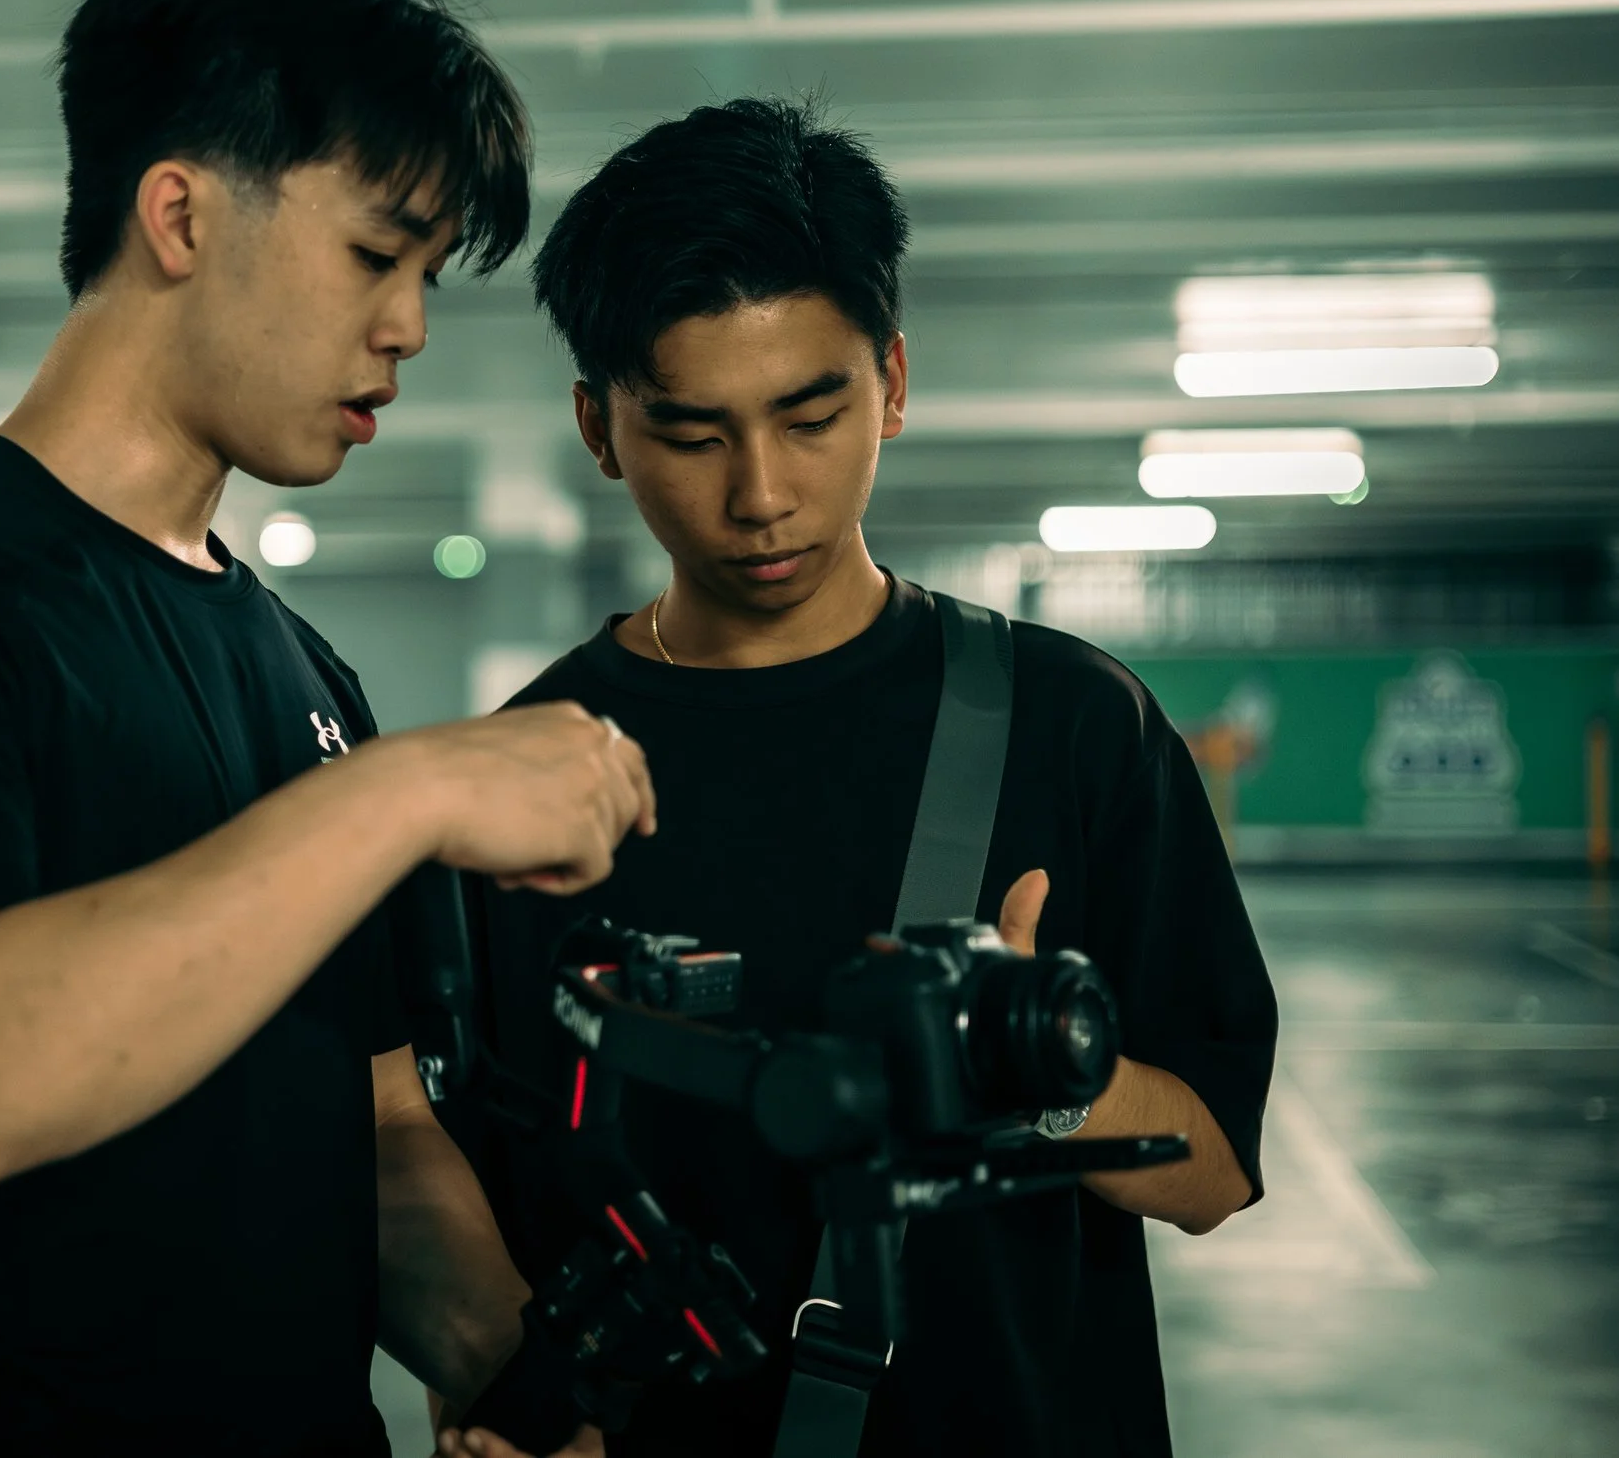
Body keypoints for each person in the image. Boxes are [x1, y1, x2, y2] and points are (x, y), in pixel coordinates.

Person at [0, 0, 651, 1457]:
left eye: (426, 276)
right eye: (375, 254)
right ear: (180, 214)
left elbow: (378, 1133)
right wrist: (410, 791)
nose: (411, 326)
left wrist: (536, 1394)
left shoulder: (307, 675)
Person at [450, 99, 1279, 1458]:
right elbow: (471, 1210)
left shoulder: (1071, 724)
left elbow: (1214, 1174)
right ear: (598, 428)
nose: (761, 493)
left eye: (812, 414)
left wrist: (1043, 1073)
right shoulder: (517, 777)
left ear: (892, 380)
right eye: (692, 433)